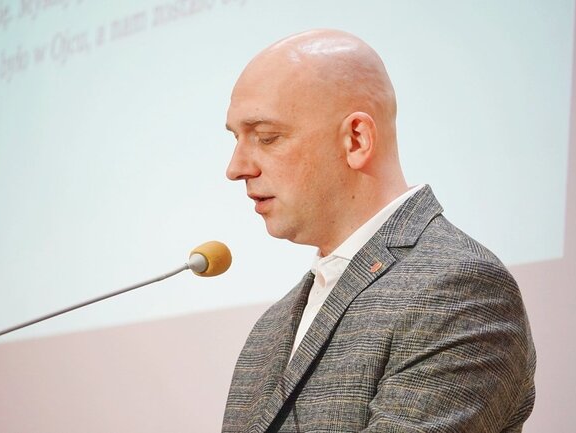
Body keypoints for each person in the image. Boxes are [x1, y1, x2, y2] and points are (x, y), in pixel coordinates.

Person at [222, 29, 536, 433]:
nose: (236, 168)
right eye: (236, 139)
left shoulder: (460, 290)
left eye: (267, 138)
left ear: (356, 139)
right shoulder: (271, 326)